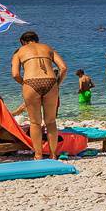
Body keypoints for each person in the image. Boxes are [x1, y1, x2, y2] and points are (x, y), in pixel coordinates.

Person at [14, 30, 68, 158]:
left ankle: (38, 155)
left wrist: (25, 84)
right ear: (36, 40)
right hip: (50, 82)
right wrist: (57, 83)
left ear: (23, 42)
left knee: (35, 122)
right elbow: (64, 68)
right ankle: (53, 154)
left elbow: (15, 74)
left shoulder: (19, 51)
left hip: (31, 82)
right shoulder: (48, 48)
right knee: (50, 121)